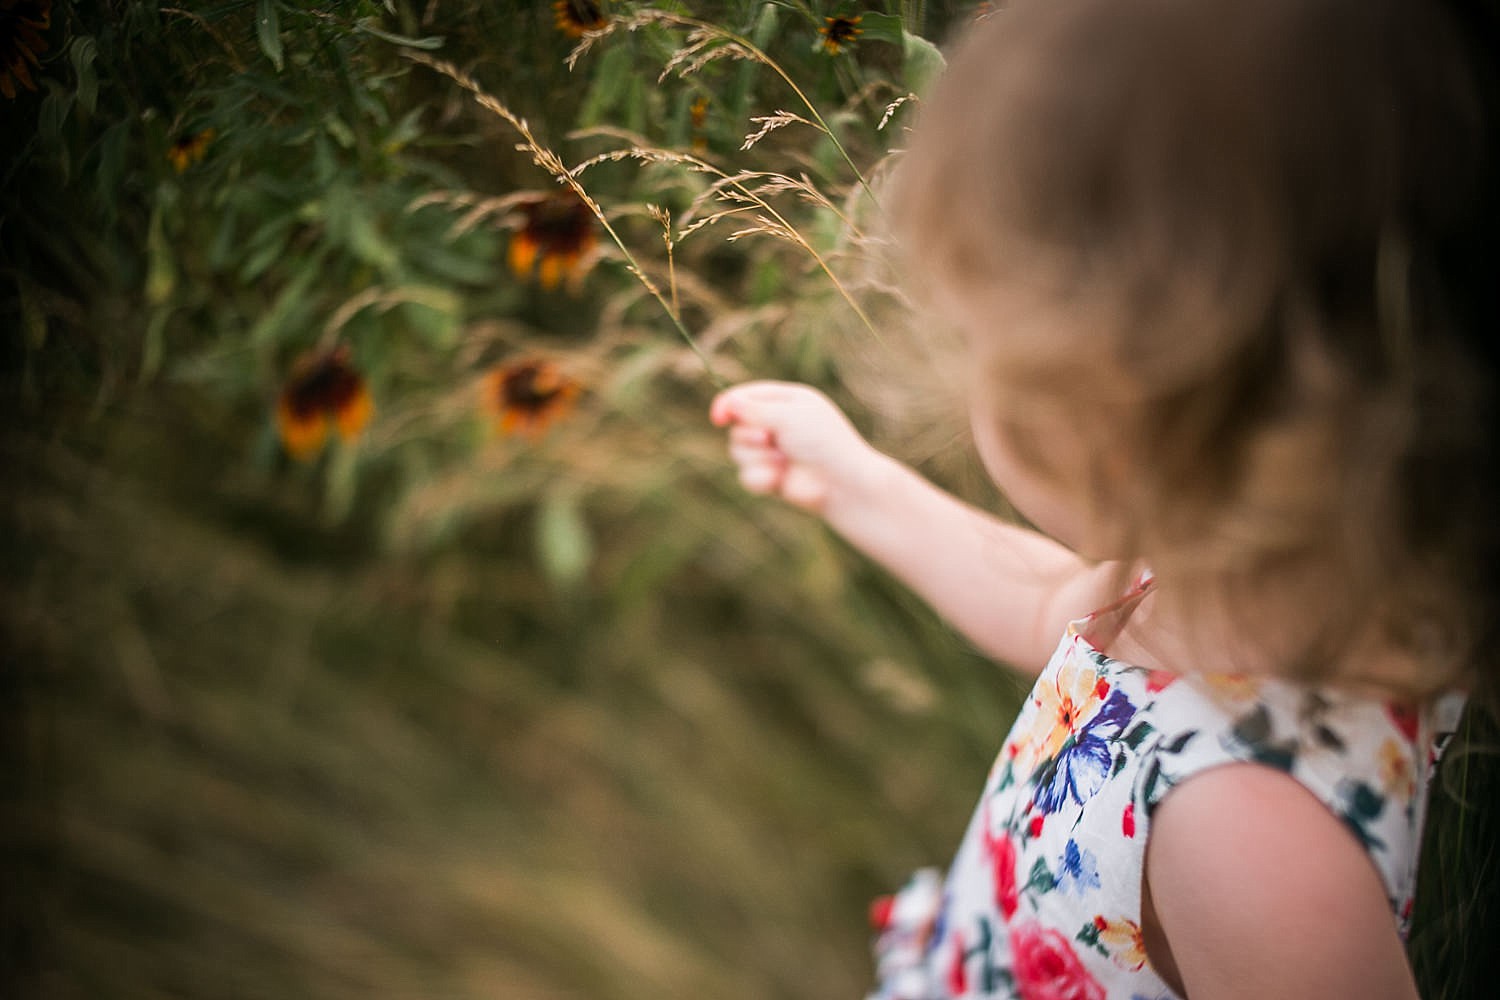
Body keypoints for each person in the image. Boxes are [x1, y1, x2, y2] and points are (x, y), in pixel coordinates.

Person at [709, 0, 1499, 996]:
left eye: (989, 355)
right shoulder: (1231, 586)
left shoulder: (1249, 835)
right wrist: (862, 485)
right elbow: (1058, 613)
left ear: (1124, 436)